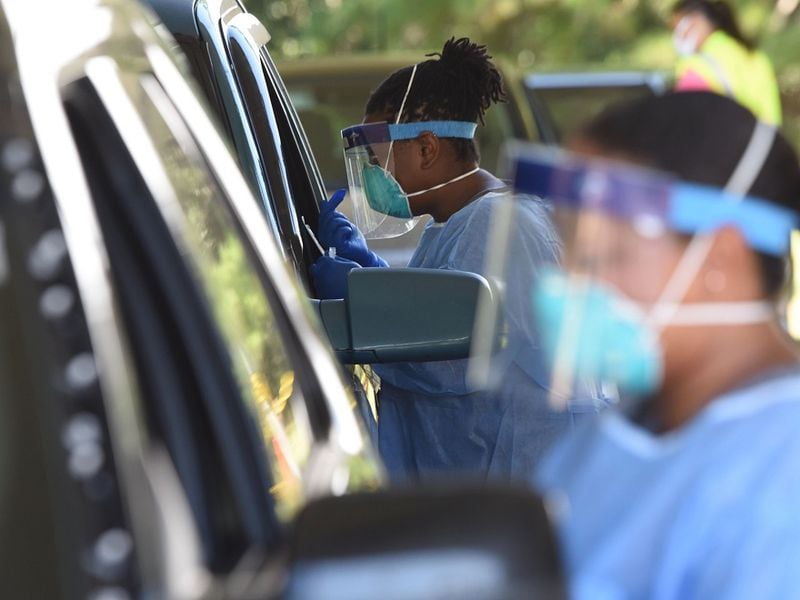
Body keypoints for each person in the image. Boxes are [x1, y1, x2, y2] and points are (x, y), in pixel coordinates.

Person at [520, 92, 800, 598]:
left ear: (718, 262)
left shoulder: (784, 471)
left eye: (603, 253)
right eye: (569, 250)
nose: (564, 281)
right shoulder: (617, 430)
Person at [311, 38, 599, 482]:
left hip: (516, 494)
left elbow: (446, 360)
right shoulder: (462, 222)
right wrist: (373, 278)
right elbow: (444, 311)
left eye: (377, 157)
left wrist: (358, 298)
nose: (371, 174)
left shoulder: (500, 226)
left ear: (426, 148)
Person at [670, 0, 782, 125]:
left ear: (695, 21)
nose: (677, 37)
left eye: (677, 29)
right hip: (767, 139)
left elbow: (686, 120)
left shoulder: (695, 64)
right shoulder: (755, 55)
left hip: (729, 141)